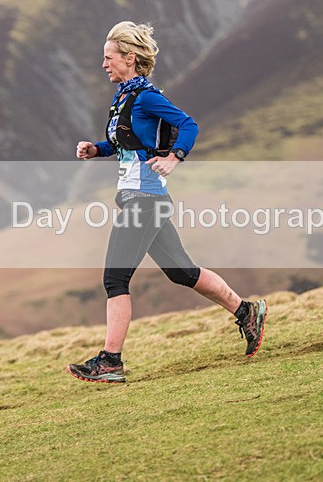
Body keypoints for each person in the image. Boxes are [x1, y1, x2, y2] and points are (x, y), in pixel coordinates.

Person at [67, 21, 267, 383]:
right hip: (141, 198)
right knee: (182, 273)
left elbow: (188, 125)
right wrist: (97, 149)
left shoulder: (146, 96)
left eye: (108, 57)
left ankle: (111, 361)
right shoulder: (124, 97)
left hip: (145, 199)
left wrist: (175, 157)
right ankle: (246, 311)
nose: (104, 64)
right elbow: (129, 145)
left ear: (130, 58)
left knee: (115, 279)